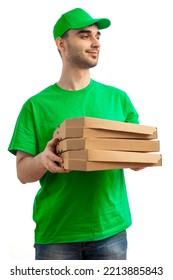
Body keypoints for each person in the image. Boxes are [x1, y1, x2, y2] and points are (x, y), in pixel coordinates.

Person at [8, 7, 140, 260]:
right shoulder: (35, 106)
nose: (96, 43)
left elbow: (136, 154)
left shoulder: (119, 99)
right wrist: (43, 160)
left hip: (110, 231)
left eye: (97, 36)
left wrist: (136, 157)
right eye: (84, 35)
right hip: (56, 235)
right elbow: (22, 172)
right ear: (61, 43)